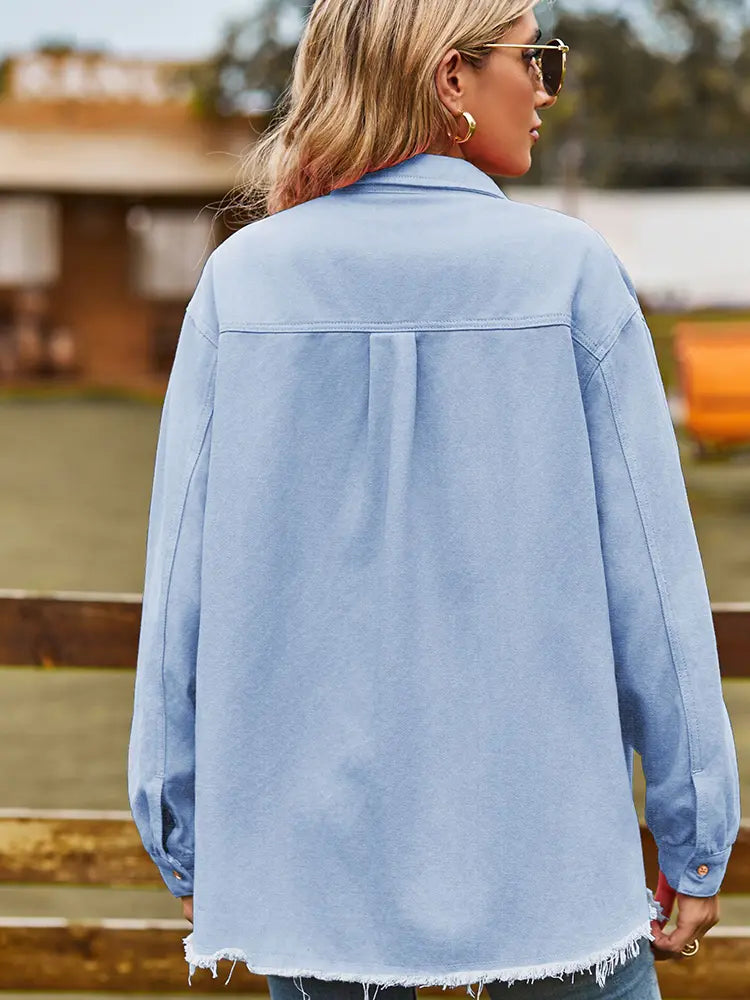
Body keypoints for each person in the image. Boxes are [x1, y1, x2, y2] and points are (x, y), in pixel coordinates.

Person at [127, 1, 742, 998]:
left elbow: (179, 597)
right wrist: (695, 836)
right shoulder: (572, 275)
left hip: (308, 871)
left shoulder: (242, 284)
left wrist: (183, 837)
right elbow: (654, 592)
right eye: (534, 58)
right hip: (551, 860)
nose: (545, 88)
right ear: (452, 77)